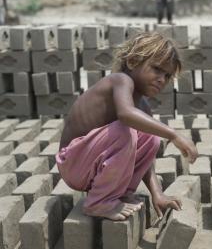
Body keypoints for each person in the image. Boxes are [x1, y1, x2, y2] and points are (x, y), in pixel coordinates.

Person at [56, 32, 198, 221]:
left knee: (150, 138)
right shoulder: (120, 80)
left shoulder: (142, 105)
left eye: (167, 75)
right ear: (132, 62)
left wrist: (158, 194)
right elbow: (125, 114)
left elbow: (147, 160)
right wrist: (173, 134)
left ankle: (117, 193)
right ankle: (98, 203)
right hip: (73, 164)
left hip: (89, 165)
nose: (162, 79)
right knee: (125, 130)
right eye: (157, 69)